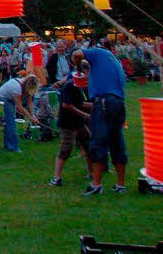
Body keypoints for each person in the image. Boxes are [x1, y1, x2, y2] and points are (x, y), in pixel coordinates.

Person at [73, 44, 128, 195]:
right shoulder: (114, 63)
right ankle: (120, 184)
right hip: (118, 103)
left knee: (98, 142)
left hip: (103, 103)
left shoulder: (97, 53)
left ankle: (96, 184)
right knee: (117, 142)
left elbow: (77, 54)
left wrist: (77, 68)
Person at [50, 67, 93, 187]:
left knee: (88, 143)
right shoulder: (70, 86)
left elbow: (79, 103)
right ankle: (56, 178)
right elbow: (66, 105)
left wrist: (96, 105)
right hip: (67, 122)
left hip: (78, 121)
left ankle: (91, 173)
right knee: (66, 148)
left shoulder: (81, 86)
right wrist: (85, 115)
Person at [0, 74, 40, 153]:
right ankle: (14, 147)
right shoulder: (17, 88)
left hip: (10, 98)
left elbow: (30, 102)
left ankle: (7, 145)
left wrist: (33, 115)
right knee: (11, 123)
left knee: (9, 123)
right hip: (3, 98)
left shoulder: (26, 87)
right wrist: (30, 117)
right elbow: (19, 108)